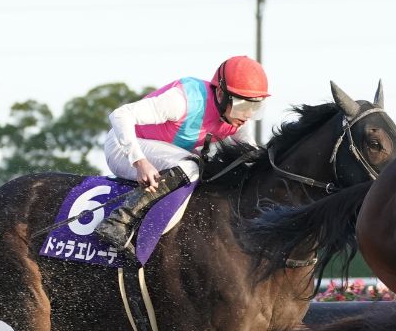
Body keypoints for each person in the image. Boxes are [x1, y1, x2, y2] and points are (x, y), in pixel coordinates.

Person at [94, 55, 271, 259]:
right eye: (243, 106)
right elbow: (120, 115)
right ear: (221, 94)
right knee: (193, 165)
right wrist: (140, 162)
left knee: (206, 167)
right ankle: (119, 221)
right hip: (121, 147)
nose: (247, 115)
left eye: (255, 107)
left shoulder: (235, 118)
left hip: (163, 154)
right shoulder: (182, 101)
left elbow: (250, 156)